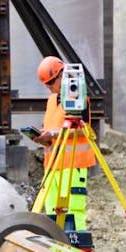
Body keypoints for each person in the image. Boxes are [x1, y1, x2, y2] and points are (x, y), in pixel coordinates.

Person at [29, 56, 96, 231]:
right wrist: (44, 137)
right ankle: (57, 250)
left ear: (62, 75)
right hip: (52, 166)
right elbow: (53, 130)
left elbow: (84, 130)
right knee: (52, 212)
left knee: (73, 211)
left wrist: (53, 133)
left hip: (73, 165)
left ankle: (79, 251)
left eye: (52, 82)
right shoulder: (52, 101)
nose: (50, 87)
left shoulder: (80, 98)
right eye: (47, 84)